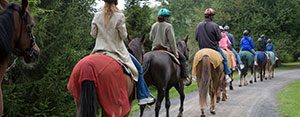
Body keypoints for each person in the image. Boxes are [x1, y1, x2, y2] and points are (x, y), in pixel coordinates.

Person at [90, 0, 154, 106]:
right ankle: (143, 96)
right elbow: (124, 35)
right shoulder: (119, 16)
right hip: (116, 51)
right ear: (116, 3)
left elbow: (93, 34)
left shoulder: (97, 15)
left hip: (99, 51)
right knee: (138, 68)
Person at [149, 8, 191, 86]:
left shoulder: (154, 25)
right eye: (167, 17)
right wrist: (175, 53)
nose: (168, 18)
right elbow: (172, 41)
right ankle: (184, 77)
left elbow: (151, 38)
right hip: (166, 48)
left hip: (154, 49)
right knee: (183, 59)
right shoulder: (168, 26)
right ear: (166, 17)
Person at [195, 8, 232, 82]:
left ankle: (195, 75)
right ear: (211, 16)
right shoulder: (214, 25)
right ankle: (227, 74)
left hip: (202, 49)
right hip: (214, 48)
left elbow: (196, 38)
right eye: (213, 16)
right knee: (224, 58)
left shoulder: (199, 25)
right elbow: (219, 38)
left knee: (195, 60)